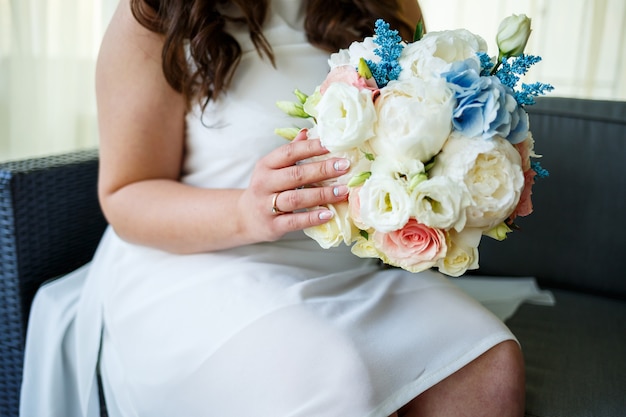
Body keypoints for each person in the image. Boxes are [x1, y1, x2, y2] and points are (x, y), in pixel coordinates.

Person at [21, 0, 526, 416]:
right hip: (198, 262)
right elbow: (125, 193)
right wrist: (245, 212)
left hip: (348, 267)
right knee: (333, 378)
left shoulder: (389, 6)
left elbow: (417, 132)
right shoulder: (154, 15)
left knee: (490, 363)